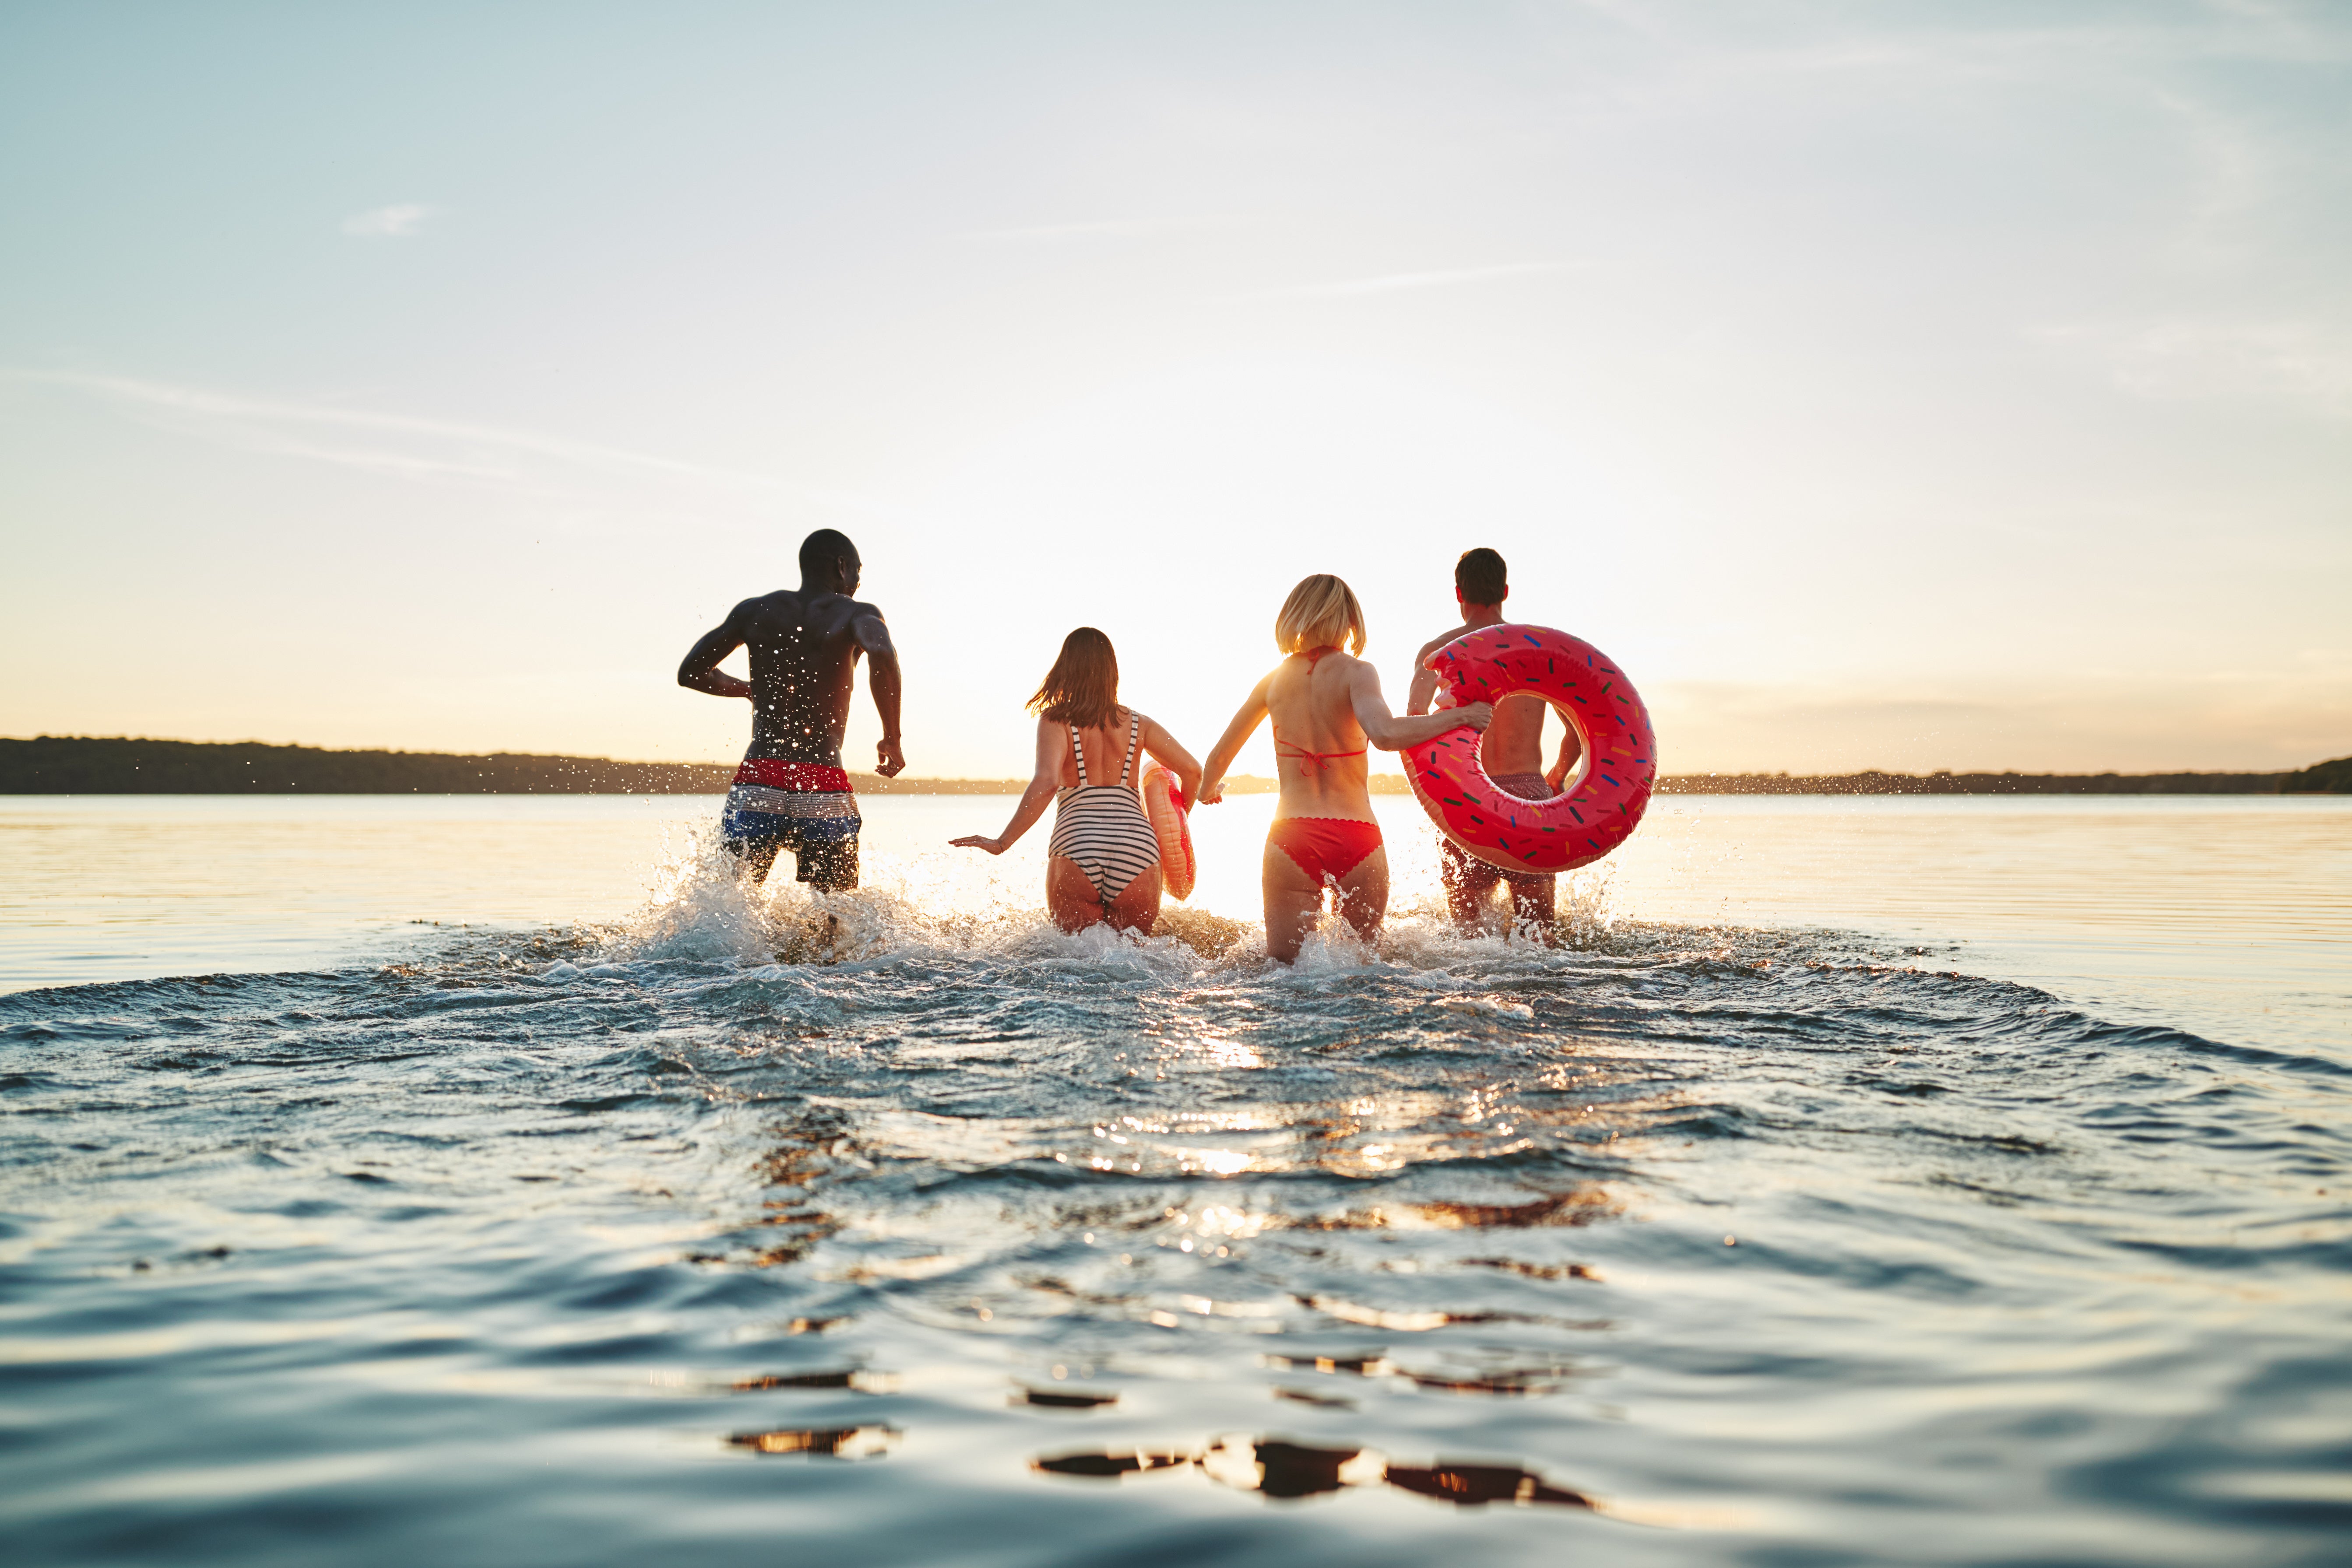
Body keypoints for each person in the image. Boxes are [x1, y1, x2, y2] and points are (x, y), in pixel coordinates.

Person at [1196, 575, 1492, 963]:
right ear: (1350, 621)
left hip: (1291, 836)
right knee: (1360, 975)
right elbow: (1385, 734)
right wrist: (1461, 717)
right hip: (1357, 836)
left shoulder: (1272, 681)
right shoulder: (1358, 673)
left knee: (1283, 976)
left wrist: (1207, 791)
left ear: (1294, 618)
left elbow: (1218, 758)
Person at [676, 528, 904, 892]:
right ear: (842, 566)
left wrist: (748, 690)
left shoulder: (755, 610)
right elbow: (882, 653)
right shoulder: (855, 614)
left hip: (759, 779)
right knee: (837, 916)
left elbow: (690, 672)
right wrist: (891, 737)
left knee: (729, 903)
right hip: (821, 778)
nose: (858, 584)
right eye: (858, 573)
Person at [952, 628, 1202, 935]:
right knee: (1137, 964)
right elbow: (1193, 771)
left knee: (1075, 964)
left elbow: (1046, 783)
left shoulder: (1056, 721)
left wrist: (1002, 842)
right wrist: (1176, 827)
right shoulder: (1140, 724)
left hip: (1078, 842)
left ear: (1065, 668)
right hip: (1137, 845)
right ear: (1112, 672)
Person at [1407, 546, 1581, 939]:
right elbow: (1576, 733)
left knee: (1470, 947)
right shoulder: (1535, 650)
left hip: (1464, 801)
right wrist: (1555, 778)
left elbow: (1412, 728)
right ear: (1505, 591)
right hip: (1530, 797)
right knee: (1538, 942)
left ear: (1458, 594)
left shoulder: (1436, 655)